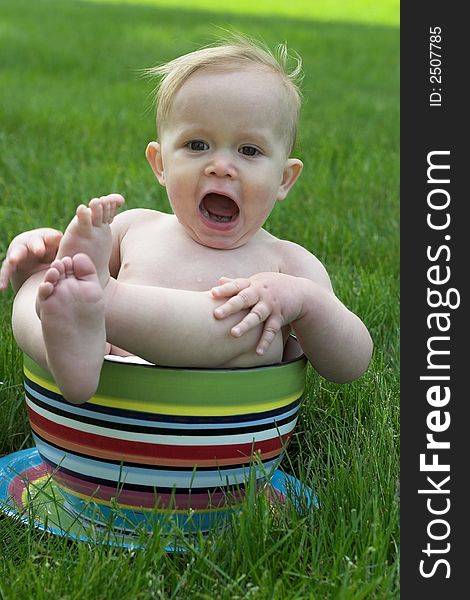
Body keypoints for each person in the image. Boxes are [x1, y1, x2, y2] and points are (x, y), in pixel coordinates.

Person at [0, 35, 373, 404]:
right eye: (197, 145)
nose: (221, 167)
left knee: (249, 324)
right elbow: (75, 275)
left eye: (249, 150)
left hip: (208, 435)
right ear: (161, 164)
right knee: (43, 292)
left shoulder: (287, 265)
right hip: (102, 376)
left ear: (284, 178)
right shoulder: (134, 227)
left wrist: (305, 300)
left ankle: (103, 308)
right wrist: (44, 267)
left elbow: (352, 364)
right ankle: (69, 343)